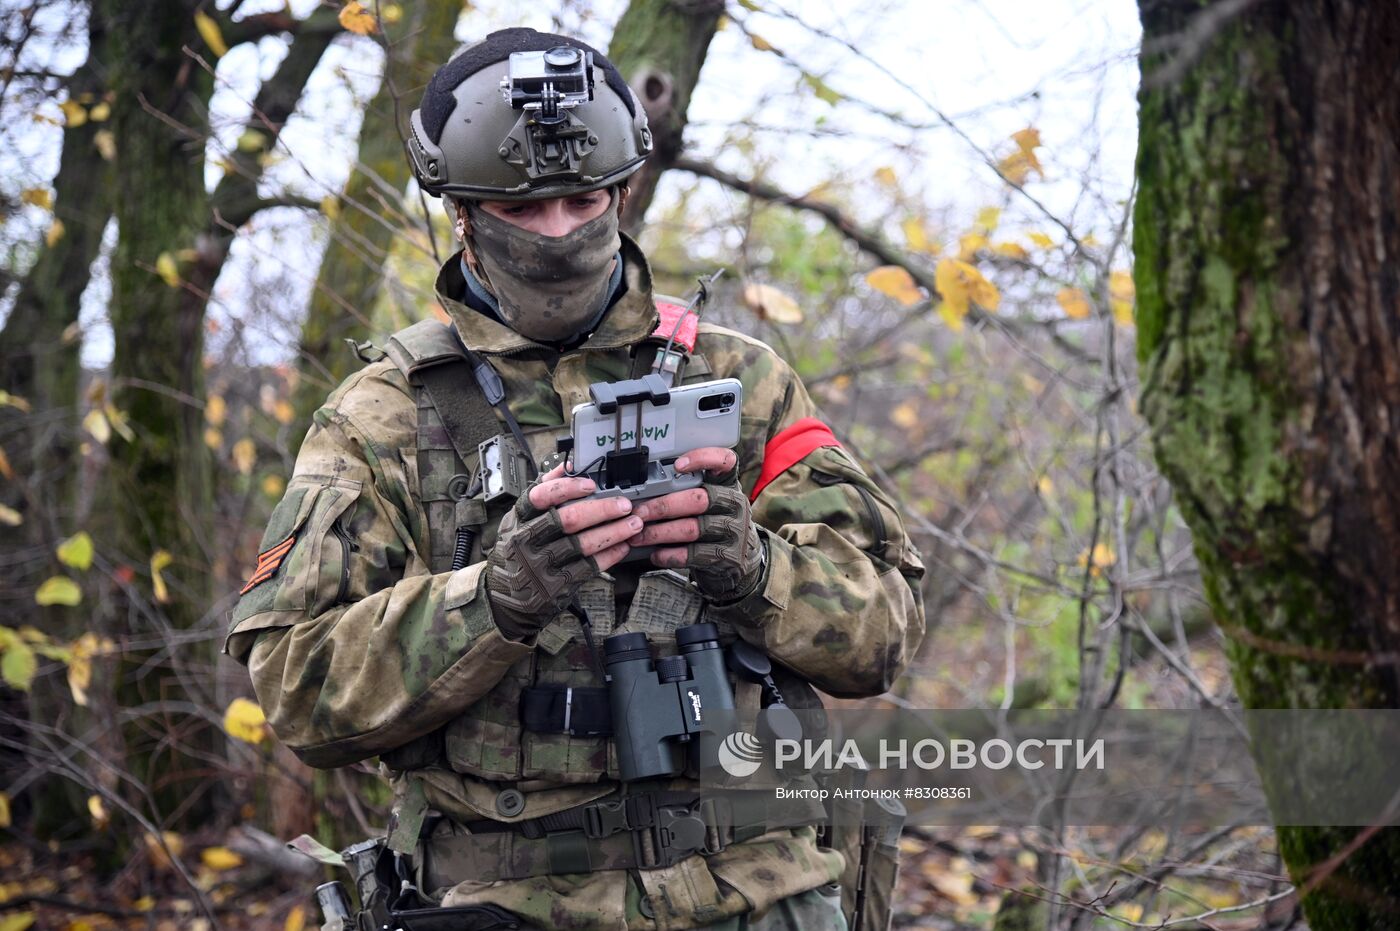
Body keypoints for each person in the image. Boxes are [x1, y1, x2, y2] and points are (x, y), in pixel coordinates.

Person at [226, 27, 925, 931]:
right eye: (522, 211)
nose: (558, 233)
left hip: (756, 891)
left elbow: (887, 629)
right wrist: (497, 599)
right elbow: (298, 686)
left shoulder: (740, 382)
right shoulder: (382, 416)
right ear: (462, 211)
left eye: (582, 200)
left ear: (625, 189)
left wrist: (755, 571)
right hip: (509, 900)